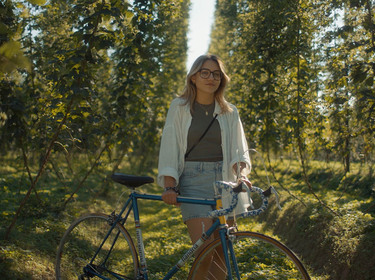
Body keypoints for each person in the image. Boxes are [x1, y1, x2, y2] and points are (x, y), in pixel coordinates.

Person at [157, 54, 252, 279]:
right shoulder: (179, 107)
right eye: (205, 73)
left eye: (216, 74)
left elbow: (239, 150)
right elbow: (170, 145)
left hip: (224, 182)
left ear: (222, 79)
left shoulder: (229, 111)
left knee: (221, 253)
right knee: (204, 251)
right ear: (193, 77)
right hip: (193, 180)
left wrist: (241, 177)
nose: (211, 78)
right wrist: (170, 186)